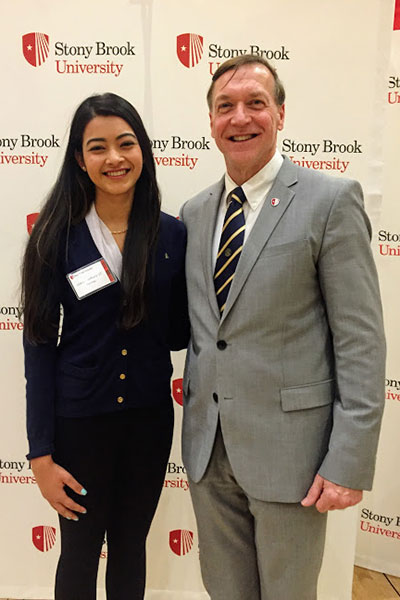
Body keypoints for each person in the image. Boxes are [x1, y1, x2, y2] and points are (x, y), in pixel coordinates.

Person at [179, 55, 385, 600]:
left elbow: (360, 340)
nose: (240, 117)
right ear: (210, 120)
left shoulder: (330, 200)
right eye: (225, 106)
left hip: (294, 457)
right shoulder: (195, 212)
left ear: (281, 114)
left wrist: (349, 459)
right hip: (208, 452)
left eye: (256, 103)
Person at [21, 92, 188, 600]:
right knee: (78, 551)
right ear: (80, 158)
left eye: (126, 143)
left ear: (143, 151)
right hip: (79, 426)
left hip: (148, 424)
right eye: (98, 147)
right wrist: (40, 453)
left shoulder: (172, 235)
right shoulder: (55, 236)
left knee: (131, 547)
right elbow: (38, 347)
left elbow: (179, 334)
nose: (114, 158)